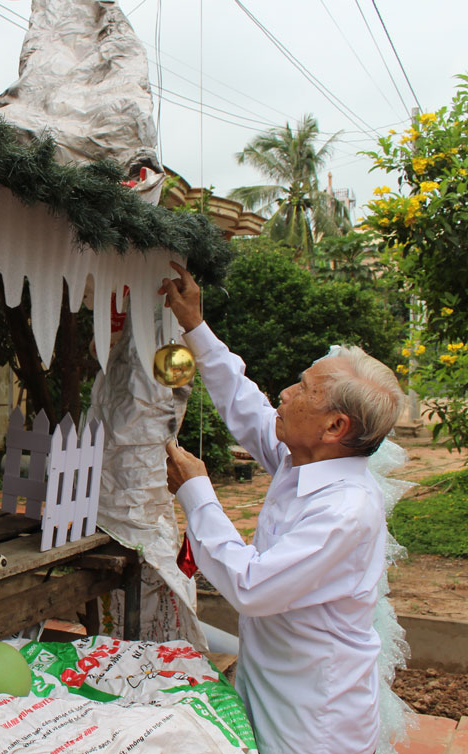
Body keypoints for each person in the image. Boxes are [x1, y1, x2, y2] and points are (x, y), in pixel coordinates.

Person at [158, 260, 404, 754]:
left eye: (305, 390)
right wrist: (195, 326)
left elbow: (252, 586)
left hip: (314, 720)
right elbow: (247, 406)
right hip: (275, 683)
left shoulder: (345, 511)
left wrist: (197, 492)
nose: (286, 394)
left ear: (335, 427)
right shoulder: (304, 460)